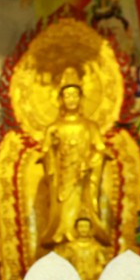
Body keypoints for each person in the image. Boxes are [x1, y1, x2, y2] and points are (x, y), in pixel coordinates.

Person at [38, 70, 108, 250]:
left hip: (83, 177)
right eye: (67, 96)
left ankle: (83, 233)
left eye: (75, 95)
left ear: (81, 98)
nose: (71, 99)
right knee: (63, 208)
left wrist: (90, 163)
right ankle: (64, 234)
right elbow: (45, 152)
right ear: (61, 99)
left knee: (82, 205)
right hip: (63, 177)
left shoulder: (90, 126)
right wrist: (52, 148)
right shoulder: (54, 127)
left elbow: (101, 149)